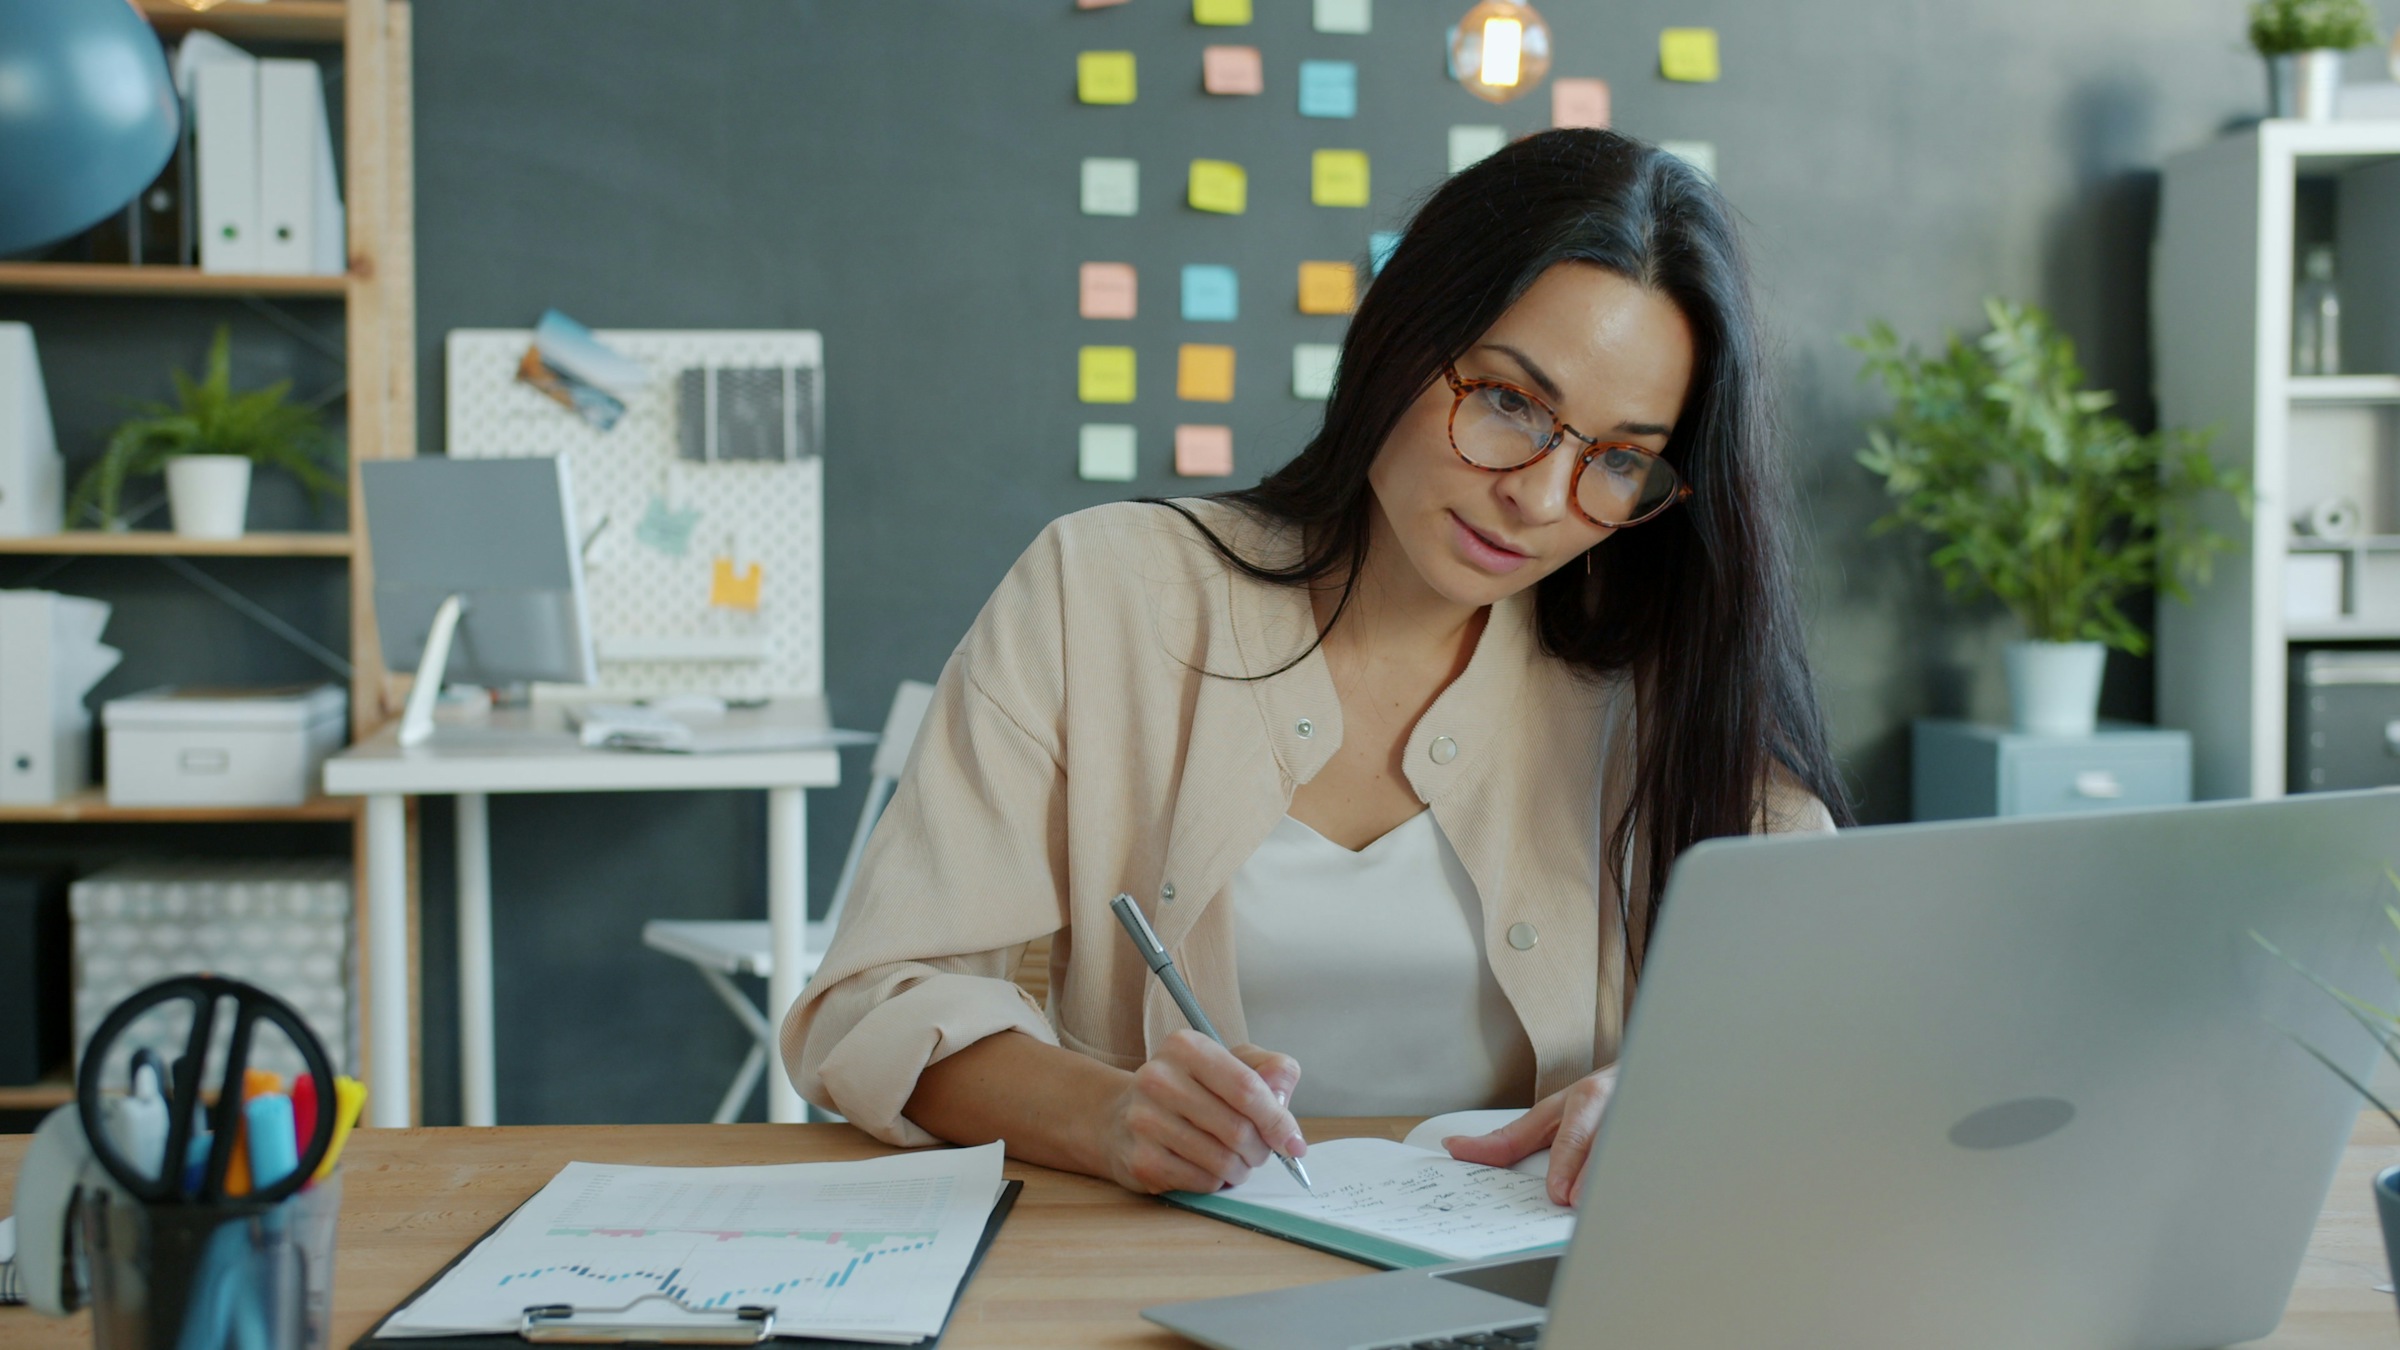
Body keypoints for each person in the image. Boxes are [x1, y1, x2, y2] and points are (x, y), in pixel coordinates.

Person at [783, 128, 1851, 1205]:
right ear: (1398, 335)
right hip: (1148, 1267)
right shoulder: (1103, 590)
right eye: (1510, 402)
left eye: (1618, 460)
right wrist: (1111, 1115)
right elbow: (877, 1004)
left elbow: (1841, 1028)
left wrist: (1670, 1092)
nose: (1535, 496)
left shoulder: (1674, 675)